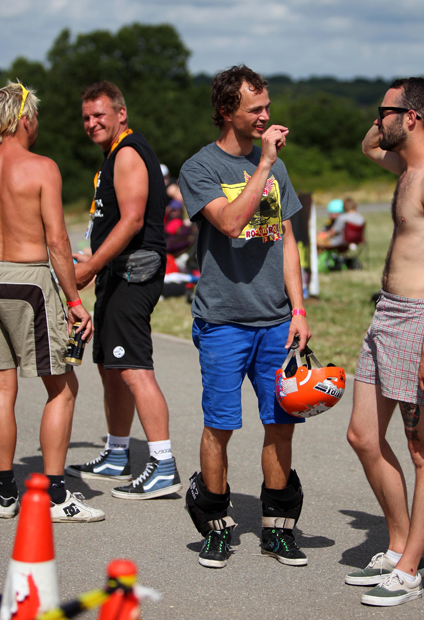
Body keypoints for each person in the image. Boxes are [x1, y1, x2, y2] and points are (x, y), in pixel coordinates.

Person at [179, 65, 311, 569]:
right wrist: (263, 167)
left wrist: (298, 310)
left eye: (268, 107)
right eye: (254, 109)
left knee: (281, 423)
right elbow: (233, 224)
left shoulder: (273, 166)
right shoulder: (201, 168)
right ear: (225, 111)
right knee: (221, 425)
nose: (265, 117)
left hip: (275, 320)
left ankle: (278, 526)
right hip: (223, 321)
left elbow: (288, 241)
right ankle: (215, 522)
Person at [346, 78, 424, 606]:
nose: (379, 119)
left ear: (413, 117)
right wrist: (385, 115)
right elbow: (370, 144)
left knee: (423, 449)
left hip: (422, 323)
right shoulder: (408, 169)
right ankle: (397, 546)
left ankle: (411, 569)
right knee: (362, 437)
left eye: (387, 110)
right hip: (386, 316)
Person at [66, 81, 182, 501]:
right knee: (110, 365)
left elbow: (133, 221)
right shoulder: (113, 154)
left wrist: (91, 266)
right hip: (115, 272)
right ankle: (117, 453)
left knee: (133, 367)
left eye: (99, 114)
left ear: (121, 114)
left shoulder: (129, 153)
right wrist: (93, 256)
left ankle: (163, 464)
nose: (92, 122)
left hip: (134, 274)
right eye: (86, 117)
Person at [0, 82, 104, 522]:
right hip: (29, 281)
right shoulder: (42, 167)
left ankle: (4, 494)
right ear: (26, 118)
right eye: (36, 118)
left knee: (3, 388)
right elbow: (58, 241)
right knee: (62, 387)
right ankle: (57, 496)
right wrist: (76, 302)